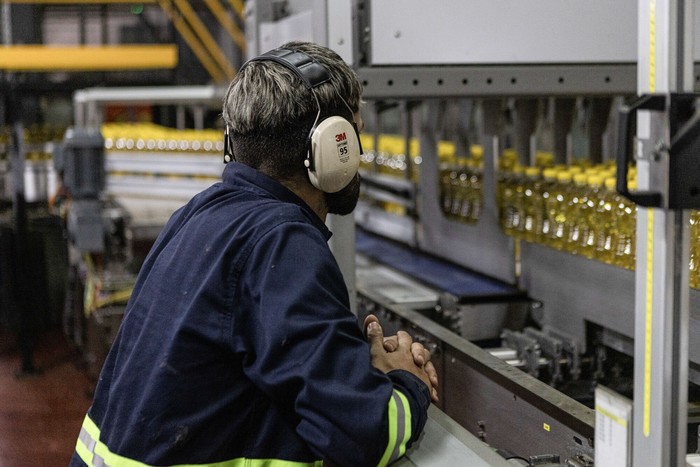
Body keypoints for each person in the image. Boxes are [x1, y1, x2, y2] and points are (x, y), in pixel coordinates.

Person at [70, 41, 438, 467]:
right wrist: (403, 382)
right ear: (333, 147)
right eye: (353, 133)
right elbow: (364, 435)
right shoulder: (283, 243)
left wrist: (353, 368)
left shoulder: (198, 213)